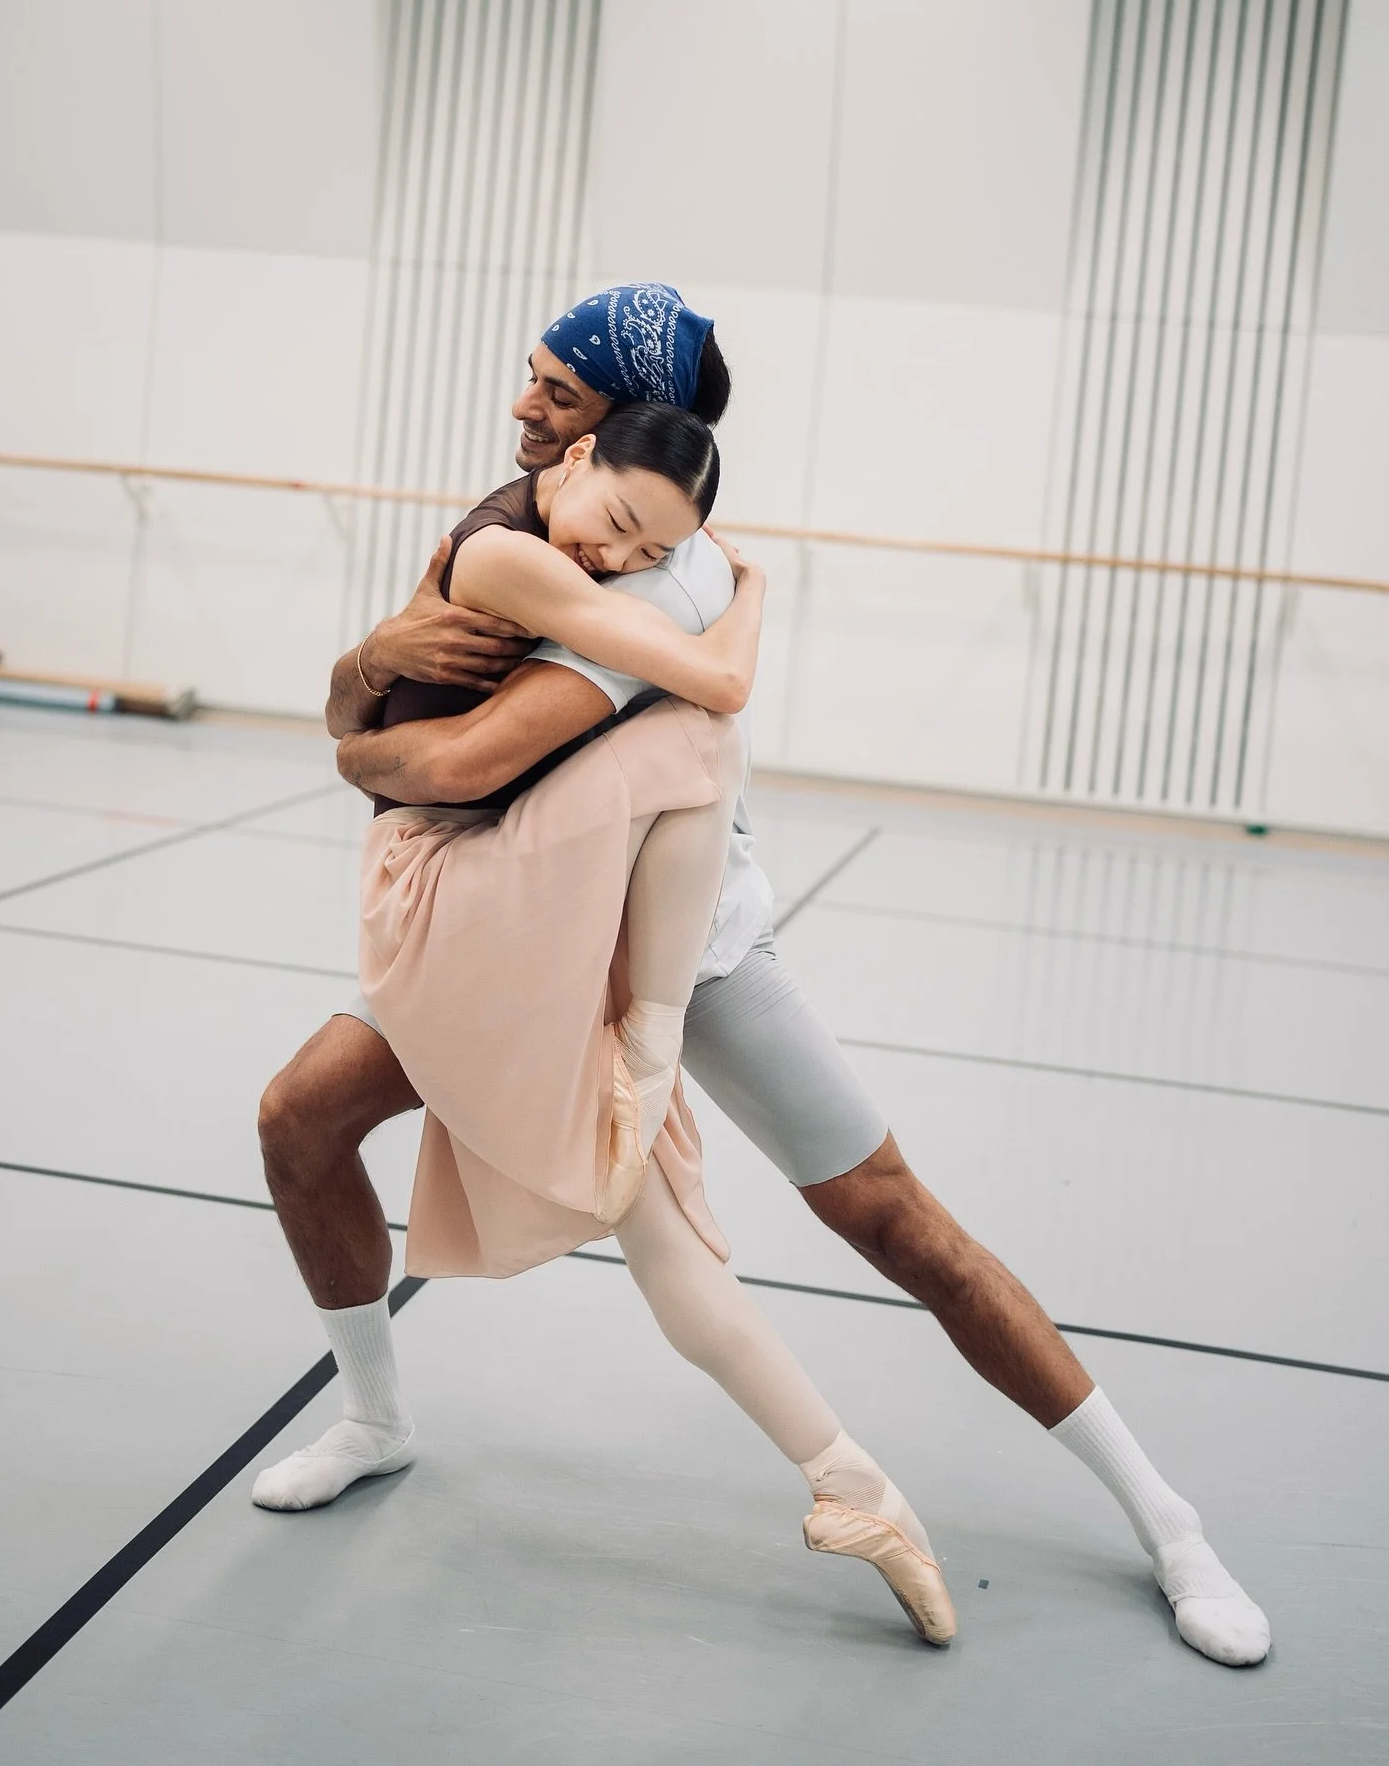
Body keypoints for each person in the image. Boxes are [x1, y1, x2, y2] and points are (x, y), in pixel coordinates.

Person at [257, 284, 1269, 1667]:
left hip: (677, 944)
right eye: (532, 384)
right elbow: (370, 701)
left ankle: (1170, 1522)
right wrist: (368, 660)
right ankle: (375, 1419)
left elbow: (452, 763)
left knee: (898, 1223)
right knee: (300, 1119)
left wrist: (356, 751)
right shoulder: (523, 508)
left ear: (627, 428)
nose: (523, 406)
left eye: (556, 391)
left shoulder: (660, 570)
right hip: (515, 917)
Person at [259, 395, 957, 1646]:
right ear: (575, 458)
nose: (620, 558)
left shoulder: (632, 557)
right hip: (440, 880)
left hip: (519, 885)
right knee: (700, 734)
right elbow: (712, 688)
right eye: (619, 523)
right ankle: (377, 1414)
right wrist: (752, 589)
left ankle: (857, 1487)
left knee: (658, 1214)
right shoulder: (505, 550)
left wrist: (712, 575)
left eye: (649, 550)